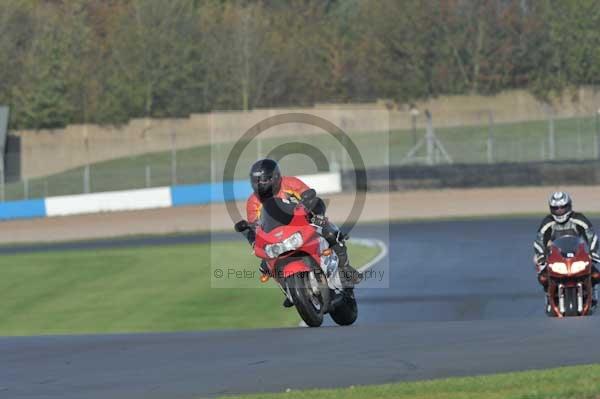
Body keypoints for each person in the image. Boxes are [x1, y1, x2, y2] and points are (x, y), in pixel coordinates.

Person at [236, 159, 362, 306]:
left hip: (303, 221)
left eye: (263, 180)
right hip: (278, 233)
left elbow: (309, 196)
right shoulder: (253, 201)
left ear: (275, 177)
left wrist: (311, 207)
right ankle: (289, 290)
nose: (259, 184)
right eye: (256, 181)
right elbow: (256, 225)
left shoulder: (289, 183)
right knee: (265, 264)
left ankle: (345, 267)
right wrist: (254, 237)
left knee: (329, 231)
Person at [533, 191, 600, 305]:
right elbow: (538, 242)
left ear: (569, 206)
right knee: (543, 277)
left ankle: (593, 293)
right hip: (556, 256)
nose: (559, 211)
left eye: (562, 207)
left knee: (596, 275)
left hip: (578, 254)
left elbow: (592, 237)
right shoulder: (547, 222)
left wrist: (593, 252)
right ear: (551, 208)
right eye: (556, 208)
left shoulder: (579, 218)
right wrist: (541, 256)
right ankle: (549, 295)